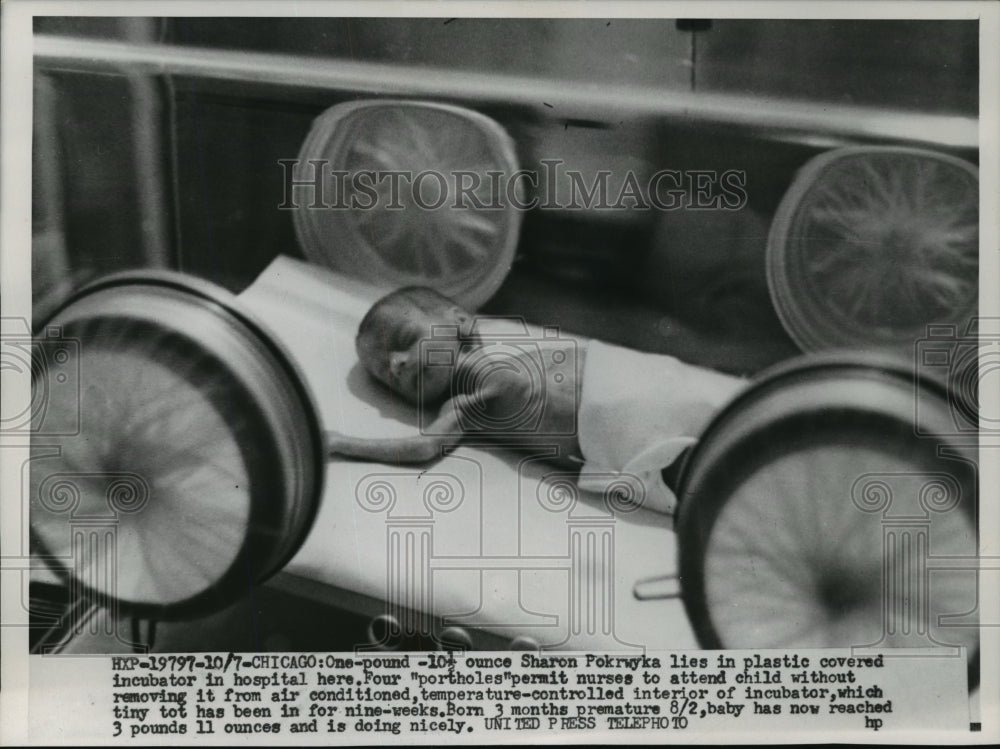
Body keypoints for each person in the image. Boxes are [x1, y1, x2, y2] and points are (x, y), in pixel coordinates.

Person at [326, 286, 747, 514]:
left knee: (728, 423)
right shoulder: (463, 407)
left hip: (635, 388)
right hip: (622, 437)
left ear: (460, 323)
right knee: (716, 478)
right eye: (386, 375)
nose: (397, 363)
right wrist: (343, 442)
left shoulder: (511, 360)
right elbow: (423, 447)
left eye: (404, 340)